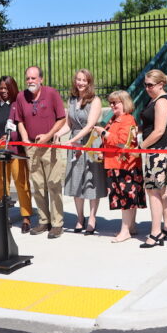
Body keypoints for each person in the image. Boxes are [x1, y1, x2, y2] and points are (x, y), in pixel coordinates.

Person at [15, 66, 67, 239]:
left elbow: (61, 118)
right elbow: (20, 120)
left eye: (33, 78)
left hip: (50, 146)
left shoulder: (51, 93)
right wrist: (25, 140)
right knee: (37, 186)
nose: (30, 81)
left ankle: (57, 223)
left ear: (41, 79)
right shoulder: (21, 96)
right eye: (28, 78)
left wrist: (48, 136)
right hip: (31, 147)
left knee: (54, 184)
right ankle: (44, 220)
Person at [56, 69, 106, 234]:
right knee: (76, 180)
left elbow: (90, 125)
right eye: (78, 79)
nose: (81, 83)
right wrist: (58, 134)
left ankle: (92, 218)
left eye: (84, 80)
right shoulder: (71, 99)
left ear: (89, 82)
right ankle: (80, 218)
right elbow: (69, 124)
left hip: (90, 142)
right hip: (75, 142)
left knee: (92, 180)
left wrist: (72, 140)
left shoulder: (95, 100)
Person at [94, 90, 145, 243]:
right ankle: (131, 226)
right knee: (127, 197)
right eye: (110, 102)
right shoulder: (115, 119)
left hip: (125, 164)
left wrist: (104, 133)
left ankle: (125, 230)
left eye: (115, 102)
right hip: (116, 163)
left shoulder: (127, 119)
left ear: (124, 103)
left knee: (126, 199)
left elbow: (122, 142)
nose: (112, 105)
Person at [0, 75, 33, 234]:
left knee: (21, 182)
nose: (3, 91)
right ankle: (3, 214)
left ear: (12, 89)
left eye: (6, 88)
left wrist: (11, 136)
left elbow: (23, 126)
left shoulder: (17, 104)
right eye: (1, 88)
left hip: (14, 150)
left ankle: (26, 216)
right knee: (1, 183)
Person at [138, 69, 167, 249]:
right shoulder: (155, 100)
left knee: (153, 191)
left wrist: (141, 146)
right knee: (161, 190)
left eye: (150, 85)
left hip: (158, 149)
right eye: (145, 85)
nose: (147, 88)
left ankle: (155, 232)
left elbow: (159, 130)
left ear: (161, 84)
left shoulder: (161, 102)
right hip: (156, 149)